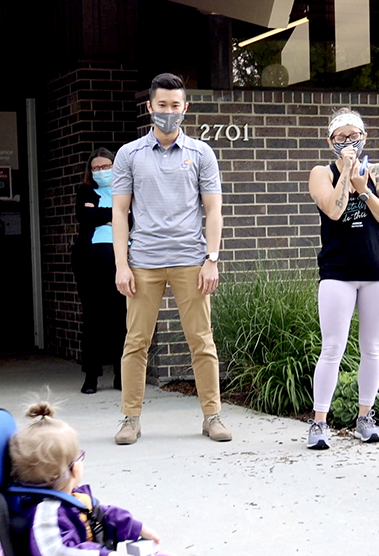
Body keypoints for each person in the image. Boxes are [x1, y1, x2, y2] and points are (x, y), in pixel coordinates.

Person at [111, 72, 231, 445]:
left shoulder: (201, 154)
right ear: (149, 107)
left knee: (201, 340)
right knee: (136, 342)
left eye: (174, 106)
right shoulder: (128, 155)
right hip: (143, 261)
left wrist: (212, 259)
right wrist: (121, 264)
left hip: (191, 261)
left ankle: (213, 416)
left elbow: (213, 211)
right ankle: (130, 419)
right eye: (161, 105)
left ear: (185, 108)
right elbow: (119, 212)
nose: (168, 112)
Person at [8, 401, 160, 556]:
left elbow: (100, 514)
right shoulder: (45, 514)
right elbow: (58, 555)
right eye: (77, 457)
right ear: (65, 471)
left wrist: (136, 528)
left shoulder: (71, 497)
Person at [305, 108, 379, 450]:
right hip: (337, 273)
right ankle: (319, 423)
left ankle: (365, 418)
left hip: (377, 271)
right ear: (330, 141)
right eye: (341, 137)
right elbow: (333, 209)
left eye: (354, 136)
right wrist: (346, 173)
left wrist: (365, 189)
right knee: (332, 347)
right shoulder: (321, 172)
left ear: (364, 138)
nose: (348, 142)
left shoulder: (378, 172)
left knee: (371, 347)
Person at [72, 148, 126, 394]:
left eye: (106, 166)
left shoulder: (127, 190)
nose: (101, 172)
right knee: (93, 319)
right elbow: (85, 216)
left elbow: (132, 217)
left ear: (115, 166)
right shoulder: (85, 191)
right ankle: (91, 377)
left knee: (121, 319)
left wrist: (103, 215)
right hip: (90, 263)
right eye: (96, 168)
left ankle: (121, 375)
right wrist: (114, 215)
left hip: (123, 262)